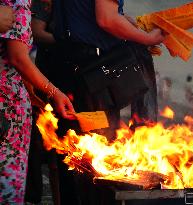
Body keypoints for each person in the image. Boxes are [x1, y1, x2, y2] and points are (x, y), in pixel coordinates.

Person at [50, 0, 165, 204]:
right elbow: (106, 20)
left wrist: (123, 21)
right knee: (97, 159)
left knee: (74, 154)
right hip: (92, 72)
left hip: (65, 63)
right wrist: (146, 39)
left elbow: (84, 16)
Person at [0, 0, 75, 204]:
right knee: (7, 187)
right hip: (6, 109)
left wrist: (29, 87)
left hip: (10, 100)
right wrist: (55, 92)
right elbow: (18, 58)